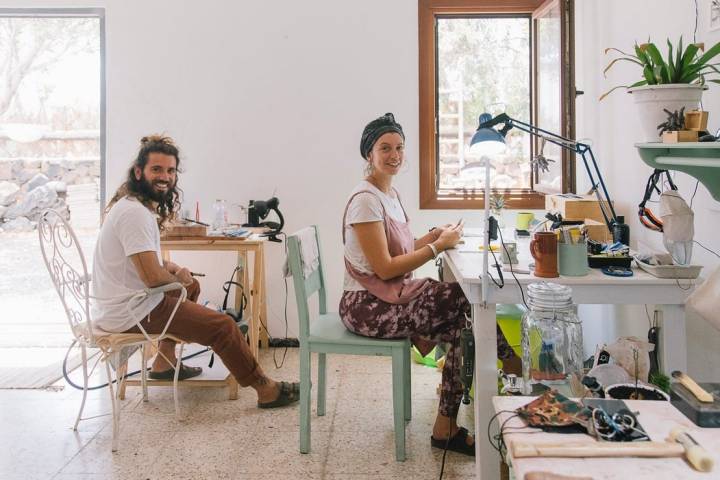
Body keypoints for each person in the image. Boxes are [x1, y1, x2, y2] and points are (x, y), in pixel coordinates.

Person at [339, 113, 516, 456]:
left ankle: (447, 424)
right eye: (385, 148)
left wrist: (432, 236)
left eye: (400, 147)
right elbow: (386, 268)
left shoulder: (389, 194)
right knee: (464, 305)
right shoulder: (365, 200)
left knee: (461, 323)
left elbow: (400, 251)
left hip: (385, 297)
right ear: (368, 154)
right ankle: (514, 370)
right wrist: (438, 247)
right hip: (365, 306)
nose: (395, 155)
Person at [90, 134, 298, 408]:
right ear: (139, 172)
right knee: (223, 327)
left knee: (191, 287)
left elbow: (141, 263)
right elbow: (151, 278)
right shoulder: (134, 215)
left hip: (126, 303)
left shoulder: (133, 208)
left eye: (170, 170)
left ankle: (163, 363)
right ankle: (266, 389)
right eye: (156, 169)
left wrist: (173, 269)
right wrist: (175, 277)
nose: (164, 177)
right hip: (131, 311)